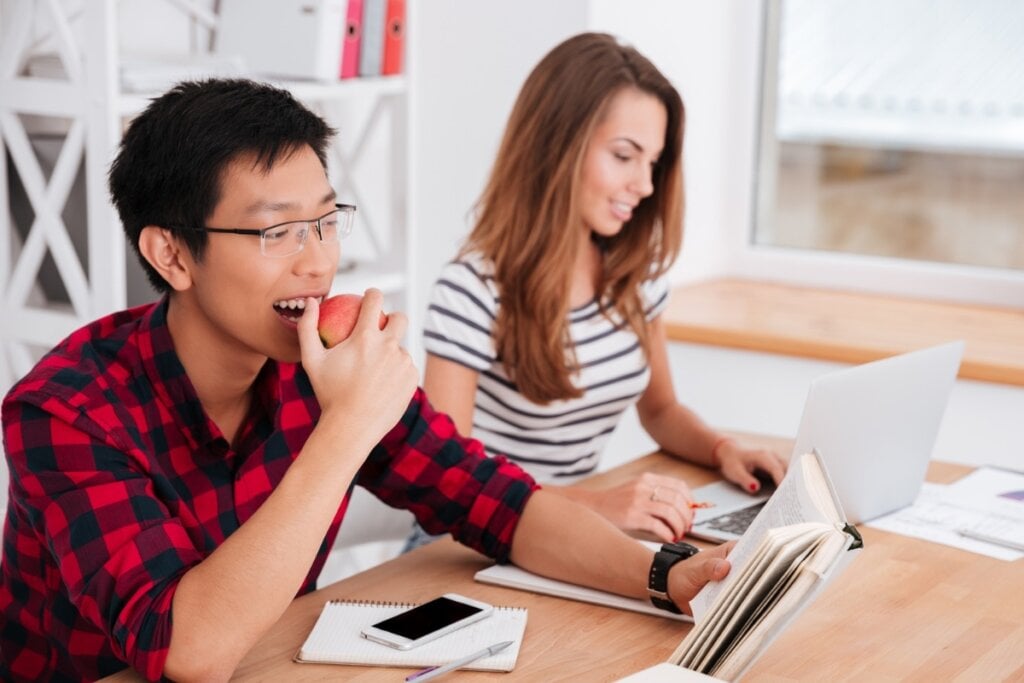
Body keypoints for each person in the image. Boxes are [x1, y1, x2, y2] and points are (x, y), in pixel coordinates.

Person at [0, 78, 732, 683]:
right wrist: (348, 426)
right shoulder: (62, 411)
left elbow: (499, 503)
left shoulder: (320, 359)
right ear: (171, 255)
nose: (318, 262)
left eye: (326, 222)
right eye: (275, 231)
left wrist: (667, 575)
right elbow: (185, 649)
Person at [417, 33, 787, 546]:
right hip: (472, 543)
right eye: (624, 155)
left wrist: (722, 447)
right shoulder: (473, 290)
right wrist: (596, 507)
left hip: (575, 533)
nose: (646, 185)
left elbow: (660, 411)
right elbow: (446, 481)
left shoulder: (635, 276)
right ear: (556, 144)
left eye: (652, 163)